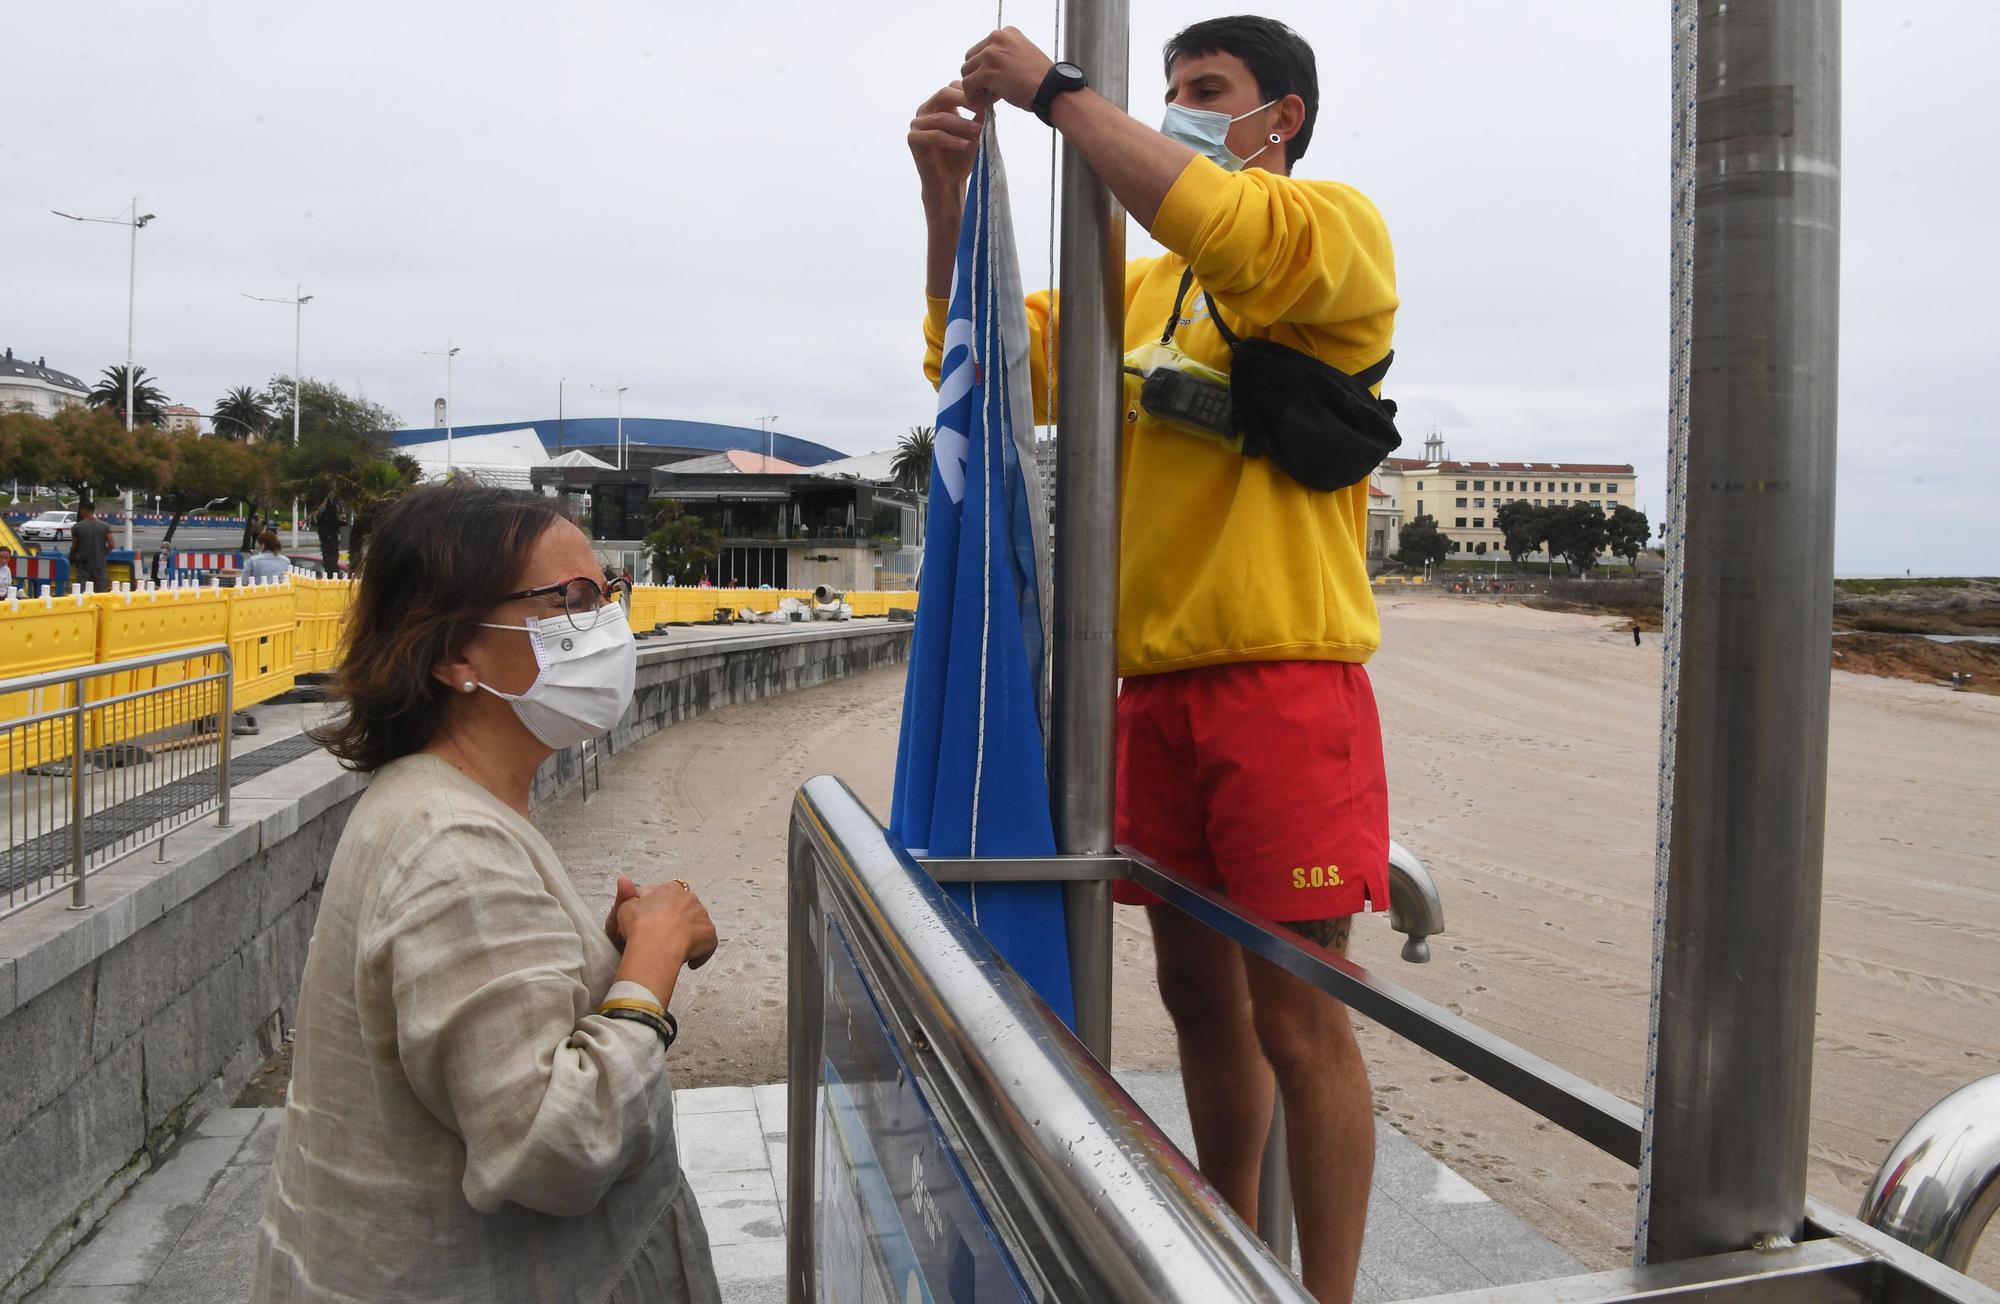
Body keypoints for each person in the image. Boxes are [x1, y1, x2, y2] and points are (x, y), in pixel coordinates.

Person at [915, 18, 1395, 1300]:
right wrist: (947, 193)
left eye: (1205, 92)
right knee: (1194, 995)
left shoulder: (1330, 234)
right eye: (1169, 91)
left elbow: (1228, 227)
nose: (1181, 109)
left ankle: (1324, 1290)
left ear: (1276, 117)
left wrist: (1062, 95)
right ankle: (1228, 1243)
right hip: (1155, 684)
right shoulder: (1140, 291)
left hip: (1283, 676)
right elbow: (985, 360)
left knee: (1299, 1009)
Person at [255, 481, 720, 1303]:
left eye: (606, 595)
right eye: (568, 601)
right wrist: (650, 968)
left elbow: (488, 1028)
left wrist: (601, 959)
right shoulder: (452, 847)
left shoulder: (445, 802)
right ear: (453, 654)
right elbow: (552, 1144)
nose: (604, 625)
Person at [68, 500, 113, 592]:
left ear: (83, 510)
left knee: (83, 593)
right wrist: (103, 554)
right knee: (101, 594)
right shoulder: (105, 526)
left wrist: (71, 558)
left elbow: (74, 546)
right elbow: (111, 544)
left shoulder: (77, 527)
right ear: (93, 510)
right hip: (100, 565)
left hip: (83, 565)